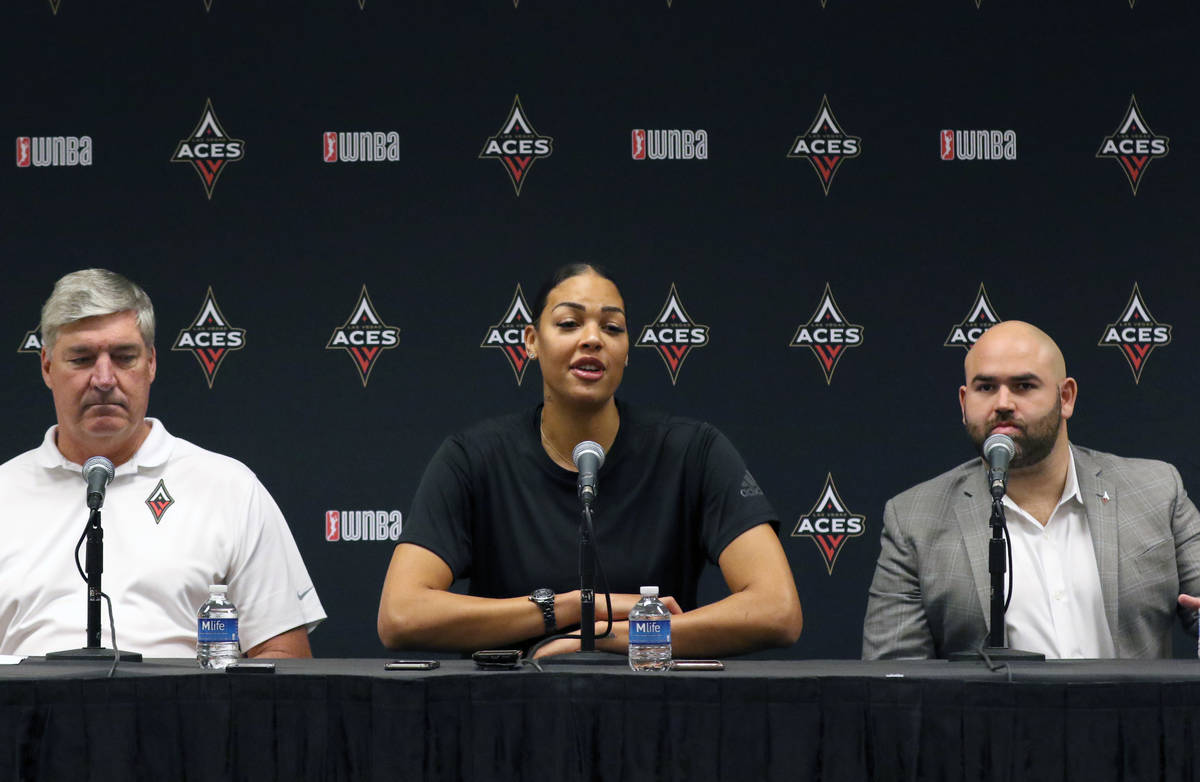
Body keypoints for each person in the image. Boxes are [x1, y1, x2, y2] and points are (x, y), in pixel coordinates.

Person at [378, 263, 802, 657]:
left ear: (628, 350)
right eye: (568, 323)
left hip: (657, 710)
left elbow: (777, 610)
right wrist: (566, 609)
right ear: (530, 342)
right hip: (511, 714)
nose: (593, 339)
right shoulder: (472, 458)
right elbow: (401, 614)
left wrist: (603, 636)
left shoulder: (694, 451)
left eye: (612, 327)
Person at [0, 269, 325, 658]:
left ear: (151, 364)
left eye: (124, 357)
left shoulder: (229, 488)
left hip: (186, 716)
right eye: (82, 358)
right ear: (47, 367)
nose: (104, 379)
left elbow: (284, 658)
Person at [862, 320, 1200, 659]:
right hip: (995, 715)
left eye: (1024, 385)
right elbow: (894, 682)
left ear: (1065, 398)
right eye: (986, 388)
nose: (1003, 403)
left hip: (1131, 713)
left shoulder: (1155, 490)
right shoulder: (914, 519)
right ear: (964, 403)